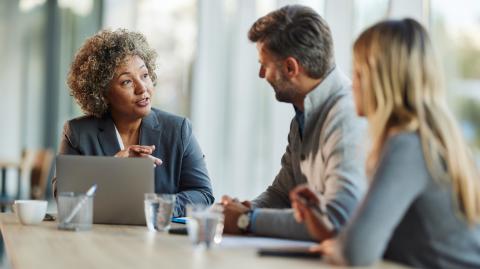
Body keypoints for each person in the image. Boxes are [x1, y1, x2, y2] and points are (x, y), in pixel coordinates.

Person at [291, 18, 480, 268]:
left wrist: (343, 246)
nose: (353, 84)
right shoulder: (424, 140)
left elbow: (356, 253)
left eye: (358, 73)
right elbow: (390, 243)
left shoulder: (407, 146)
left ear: (381, 80)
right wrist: (329, 231)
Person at [221, 5, 367, 241]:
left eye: (264, 65)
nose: (261, 74)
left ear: (290, 67)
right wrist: (243, 209)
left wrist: (246, 220)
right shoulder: (302, 113)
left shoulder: (347, 117)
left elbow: (337, 218)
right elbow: (282, 193)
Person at [53, 29, 214, 217]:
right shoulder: (77, 133)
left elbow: (203, 194)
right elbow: (64, 198)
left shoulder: (178, 130)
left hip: (158, 241)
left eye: (144, 75)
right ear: (102, 93)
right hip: (98, 239)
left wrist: (155, 208)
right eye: (127, 82)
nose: (142, 88)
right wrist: (113, 167)